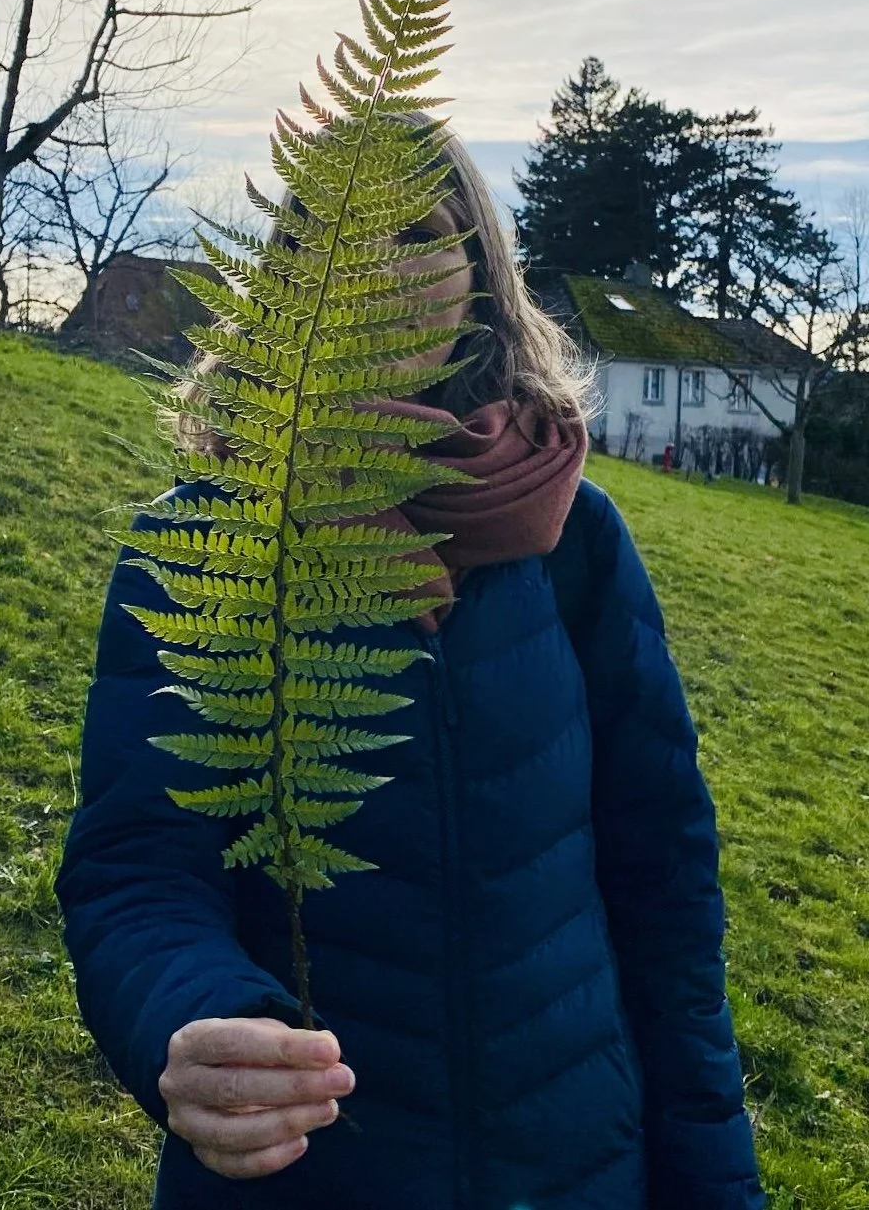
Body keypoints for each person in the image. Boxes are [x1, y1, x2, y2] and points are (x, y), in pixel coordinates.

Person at [55, 115, 766, 1210]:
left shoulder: (576, 540)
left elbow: (664, 883)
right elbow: (136, 865)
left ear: (477, 271)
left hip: (581, 1161)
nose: (370, 267)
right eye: (327, 237)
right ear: (287, 287)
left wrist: (715, 1178)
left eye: (413, 231)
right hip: (302, 1168)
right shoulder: (206, 546)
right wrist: (194, 1015)